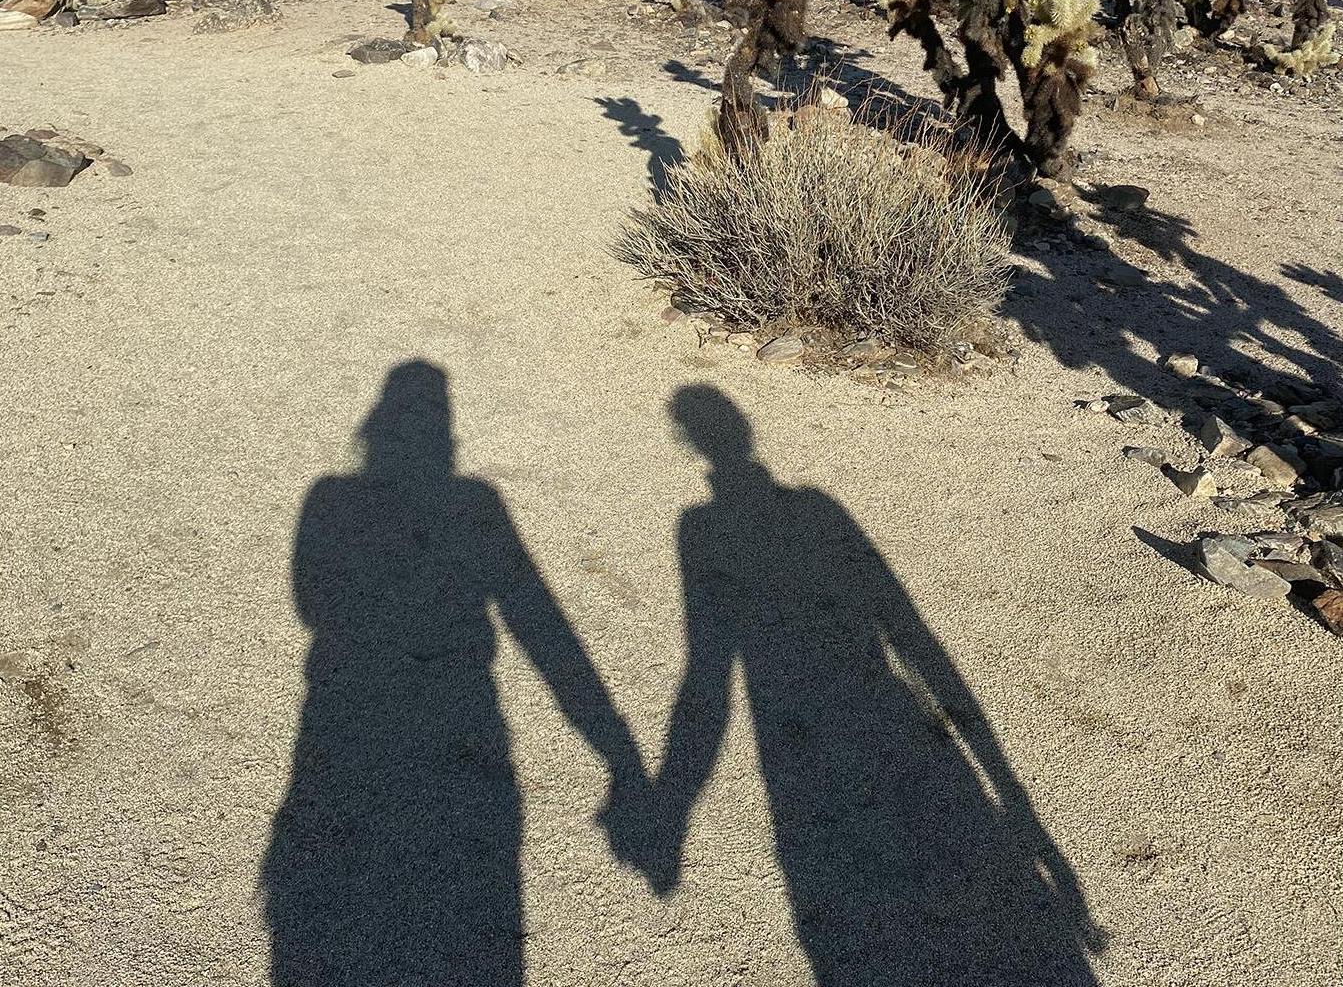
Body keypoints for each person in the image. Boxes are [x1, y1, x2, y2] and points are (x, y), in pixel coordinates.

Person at [608, 385, 1104, 985]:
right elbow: (912, 634)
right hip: (895, 721)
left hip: (795, 758)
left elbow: (708, 675)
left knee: (850, 932)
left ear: (688, 442)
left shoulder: (702, 527)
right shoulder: (815, 509)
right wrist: (1018, 804)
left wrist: (674, 802)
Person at [262, 361, 645, 986]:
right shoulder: (475, 502)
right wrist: (617, 750)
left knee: (331, 887)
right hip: (466, 702)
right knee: (476, 891)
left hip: (340, 702)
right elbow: (536, 620)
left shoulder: (328, 498)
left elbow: (309, 602)